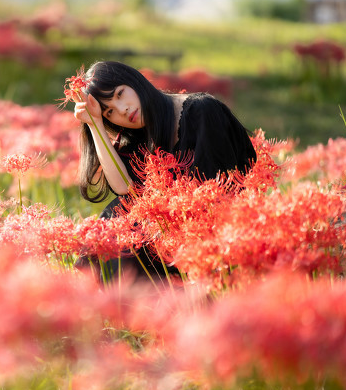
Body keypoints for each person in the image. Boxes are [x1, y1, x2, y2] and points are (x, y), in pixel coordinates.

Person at [72, 61, 257, 282]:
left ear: (135, 81)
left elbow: (215, 199)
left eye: (120, 94)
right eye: (110, 112)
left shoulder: (203, 112)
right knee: (117, 224)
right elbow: (124, 188)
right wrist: (95, 124)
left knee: (123, 234)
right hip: (167, 242)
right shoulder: (139, 136)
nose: (122, 110)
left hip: (213, 241)